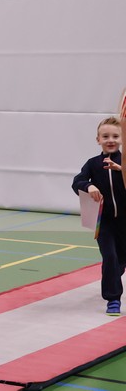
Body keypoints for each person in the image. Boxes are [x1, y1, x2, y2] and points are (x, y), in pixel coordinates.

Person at [72, 116, 125, 316]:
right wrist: (89, 186)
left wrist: (122, 169)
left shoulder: (124, 161)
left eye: (115, 136)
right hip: (104, 222)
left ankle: (114, 273)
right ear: (98, 140)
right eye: (105, 136)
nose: (110, 140)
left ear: (122, 138)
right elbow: (77, 181)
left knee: (119, 261)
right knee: (110, 257)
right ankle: (113, 299)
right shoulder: (93, 164)